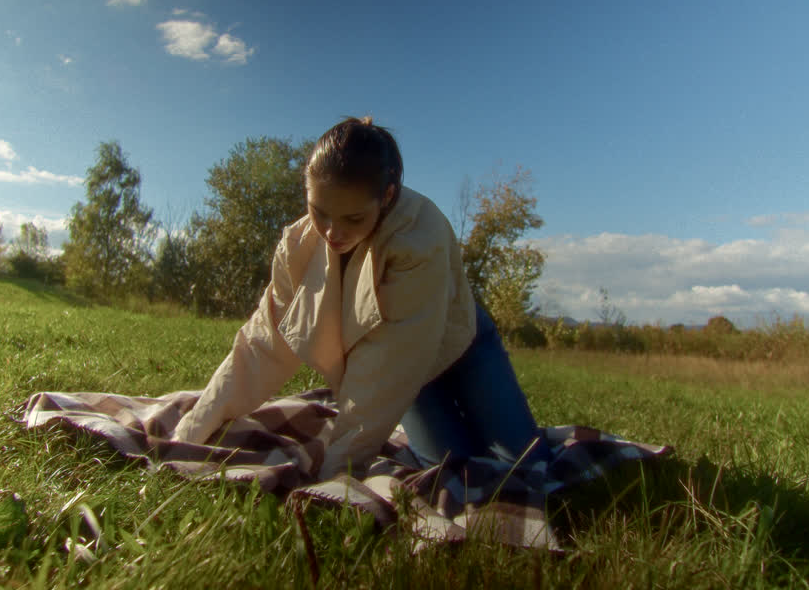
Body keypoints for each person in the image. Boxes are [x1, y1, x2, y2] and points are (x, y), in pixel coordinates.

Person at [172, 117, 548, 479]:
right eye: (319, 212)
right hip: (412, 374)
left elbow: (386, 367)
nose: (333, 232)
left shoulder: (419, 236)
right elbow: (263, 342)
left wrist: (334, 473)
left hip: (463, 346)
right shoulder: (297, 246)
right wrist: (191, 431)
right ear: (307, 190)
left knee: (525, 468)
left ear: (387, 195)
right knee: (451, 468)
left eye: (353, 218)